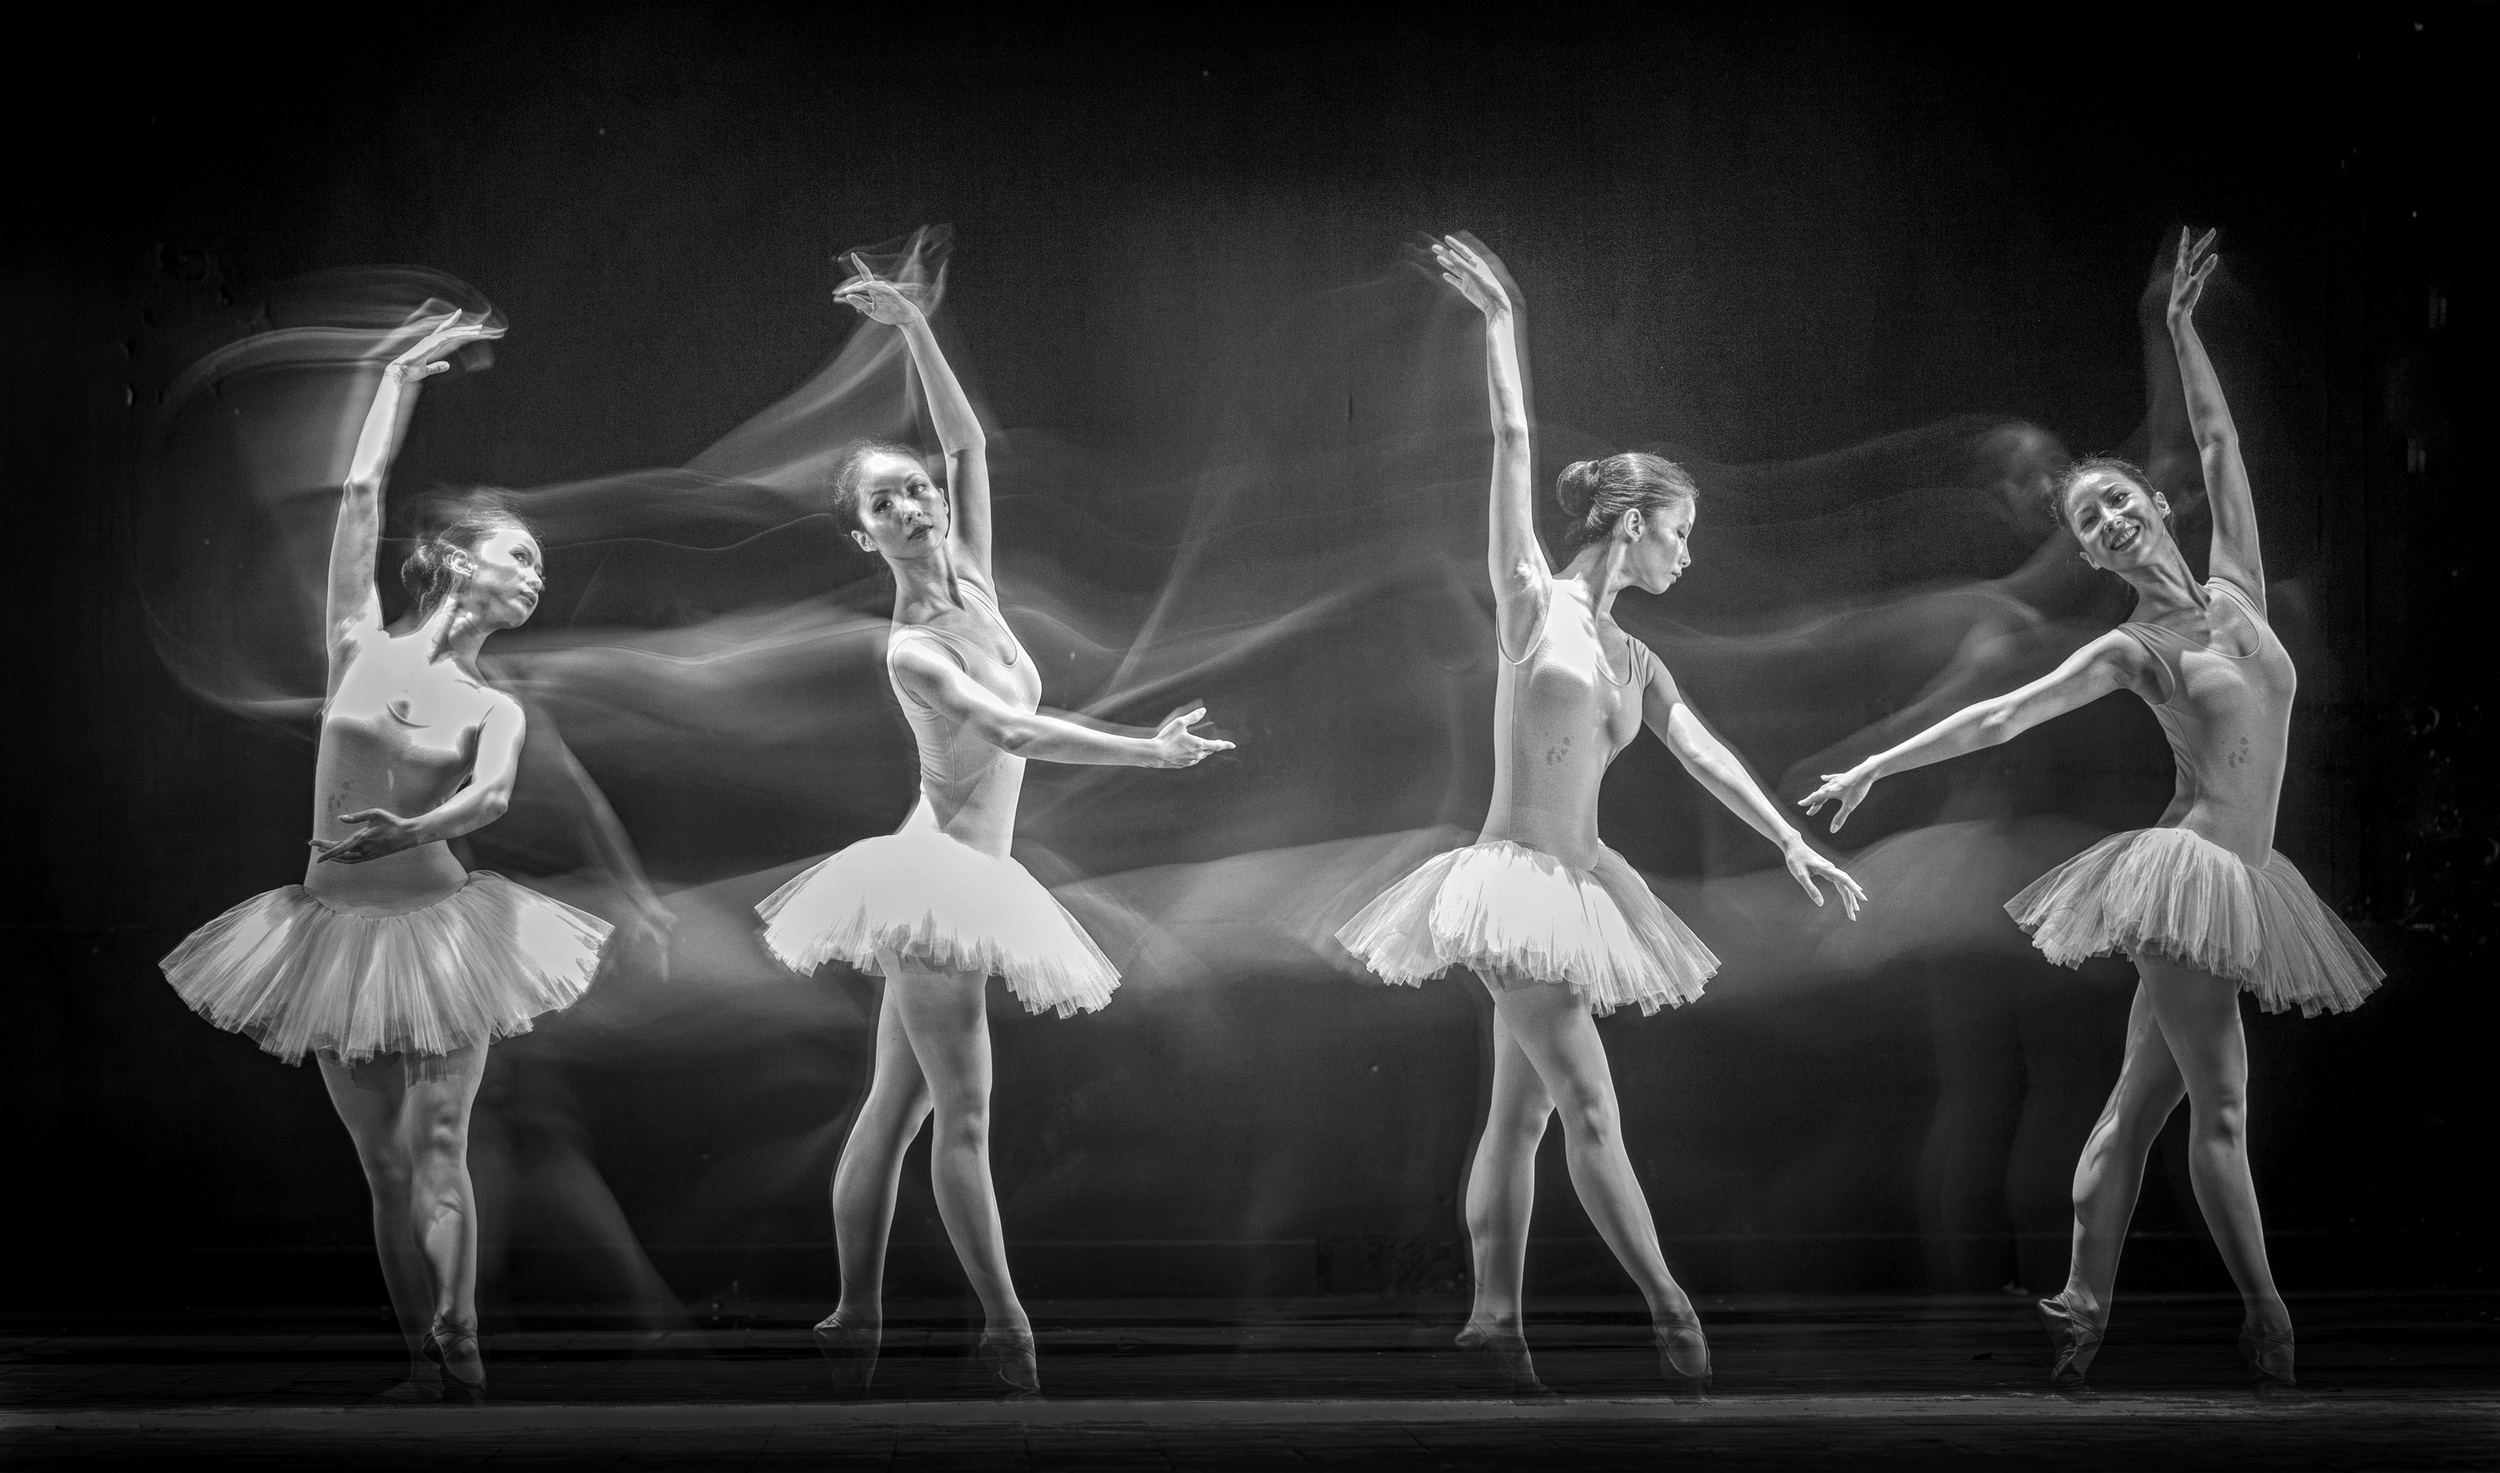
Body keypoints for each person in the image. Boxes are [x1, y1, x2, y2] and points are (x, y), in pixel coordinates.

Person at [1802, 230, 2384, 1388]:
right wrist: (1878, 766)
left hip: (2243, 874)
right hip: (2190, 878)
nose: (2110, 522)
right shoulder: (2131, 648)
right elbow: (1999, 717)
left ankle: (2080, 1310)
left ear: (2155, 507)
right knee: (2222, 1109)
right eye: (2087, 526)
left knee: (2134, 1107)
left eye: (2118, 502)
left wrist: (2178, 327)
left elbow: (2217, 442)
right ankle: (2266, 1319)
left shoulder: (2237, 589)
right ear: (2092, 555)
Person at [1337, 235, 1866, 1395]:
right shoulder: (1532, 603)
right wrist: (1501, 324)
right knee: (1586, 1104)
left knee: (1521, 1117)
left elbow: (1701, 748)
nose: (1689, 552)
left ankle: (1493, 1321)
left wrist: (1789, 840)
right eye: (1680, 529)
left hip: (1581, 885)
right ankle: (1671, 1309)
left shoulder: (1635, 655)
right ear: (1631, 523)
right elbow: (1511, 443)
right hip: (1512, 883)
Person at [759, 253, 1232, 1399]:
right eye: (883, 503)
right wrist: (1148, 752)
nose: (912, 505)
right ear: (861, 537)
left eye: (913, 489)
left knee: (894, 1110)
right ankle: (1007, 1331)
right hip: (938, 889)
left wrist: (913, 328)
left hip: (963, 874)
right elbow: (1014, 733)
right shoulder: (912, 648)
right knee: (959, 1121)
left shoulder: (972, 580)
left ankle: (853, 1321)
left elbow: (967, 444)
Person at [160, 310, 613, 1403]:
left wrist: (404, 834)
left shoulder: (494, 705)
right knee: (383, 1164)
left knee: (442, 1140)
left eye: (540, 567)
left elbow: (488, 798)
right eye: (520, 555)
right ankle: (422, 1364)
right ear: (456, 561)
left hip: (445, 931)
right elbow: (360, 497)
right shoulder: (355, 642)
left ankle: (464, 1336)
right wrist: (395, 380)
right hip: (330, 934)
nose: (535, 577)